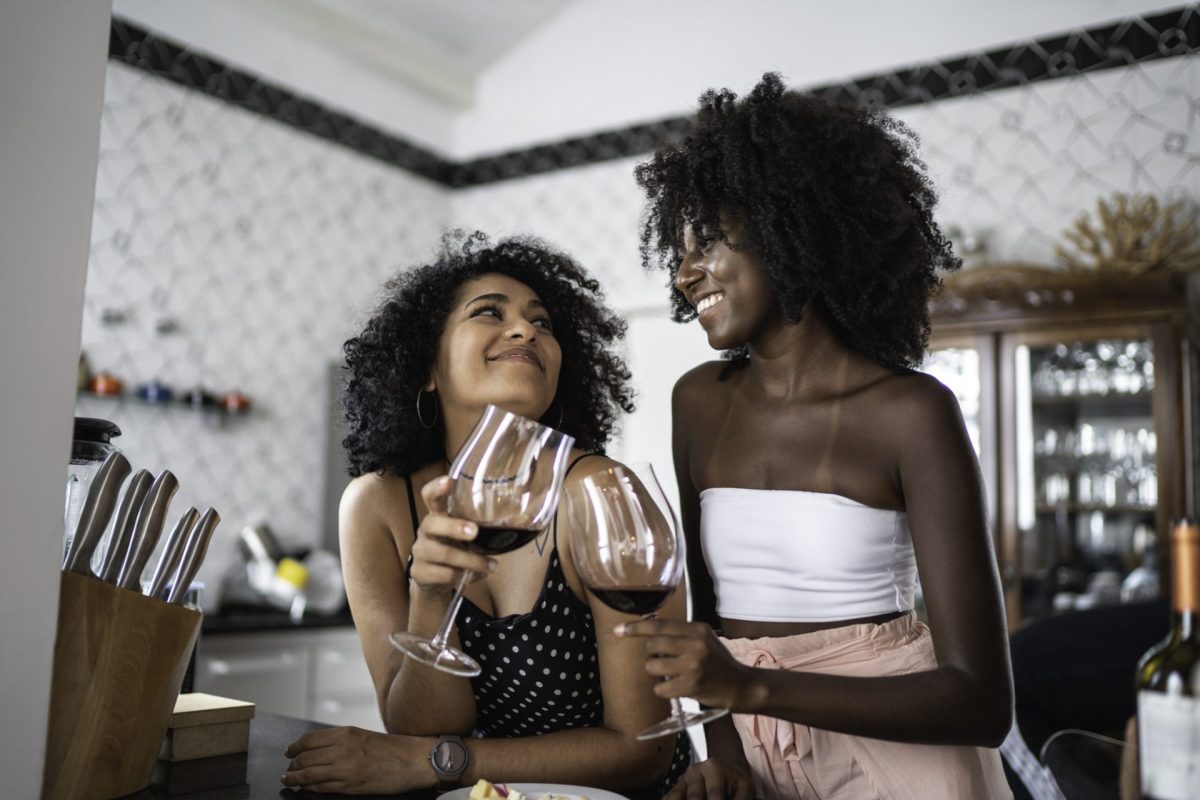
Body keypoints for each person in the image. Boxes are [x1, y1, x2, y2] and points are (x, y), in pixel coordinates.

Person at [620, 73, 1015, 799]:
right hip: (761, 757)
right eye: (678, 250)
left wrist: (753, 687)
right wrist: (728, 759)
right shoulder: (698, 403)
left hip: (901, 767)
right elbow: (706, 620)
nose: (683, 273)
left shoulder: (909, 412)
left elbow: (981, 702)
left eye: (706, 240)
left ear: (787, 225)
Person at [282, 233, 692, 794]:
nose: (527, 330)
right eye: (489, 313)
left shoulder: (597, 491)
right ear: (426, 366)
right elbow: (418, 727)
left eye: (542, 322)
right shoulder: (378, 506)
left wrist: (434, 763)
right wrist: (431, 601)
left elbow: (641, 750)